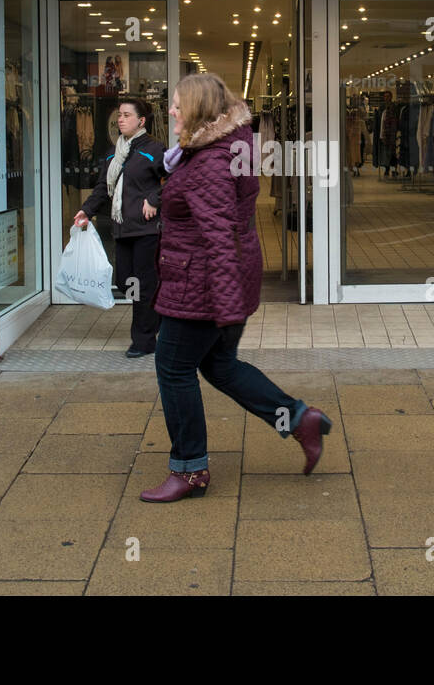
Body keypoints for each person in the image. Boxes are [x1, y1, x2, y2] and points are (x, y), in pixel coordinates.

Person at [140, 73, 330, 502]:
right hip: (212, 283)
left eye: (176, 104)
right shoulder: (214, 149)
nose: (170, 110)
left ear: (199, 111)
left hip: (201, 288)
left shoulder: (208, 163)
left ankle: (189, 470)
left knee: (173, 369)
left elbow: (220, 237)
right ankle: (299, 420)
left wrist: (227, 311)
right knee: (220, 368)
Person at [73, 98, 166, 357]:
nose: (120, 119)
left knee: (141, 285)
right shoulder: (114, 153)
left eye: (126, 115)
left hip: (146, 229)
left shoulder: (154, 149)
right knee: (125, 282)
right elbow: (103, 187)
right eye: (119, 115)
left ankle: (143, 341)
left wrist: (155, 199)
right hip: (122, 228)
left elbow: (175, 179)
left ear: (142, 121)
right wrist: (86, 210)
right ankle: (157, 317)